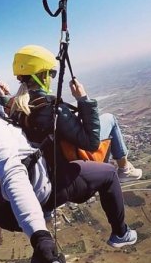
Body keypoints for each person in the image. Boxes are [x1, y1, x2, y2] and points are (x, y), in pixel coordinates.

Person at [0, 47, 138, 263]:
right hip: (43, 191)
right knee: (108, 173)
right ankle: (121, 234)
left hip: (7, 211)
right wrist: (40, 237)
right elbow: (13, 177)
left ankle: (47, 212)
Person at [10, 44, 143, 180]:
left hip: (46, 167)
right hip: (71, 163)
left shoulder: (15, 107)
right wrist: (83, 99)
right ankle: (125, 169)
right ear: (43, 76)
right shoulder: (53, 108)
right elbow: (91, 143)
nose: (52, 77)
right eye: (52, 74)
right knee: (110, 118)